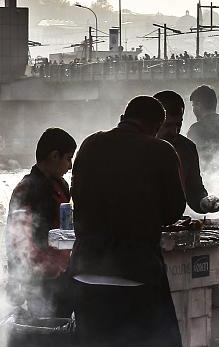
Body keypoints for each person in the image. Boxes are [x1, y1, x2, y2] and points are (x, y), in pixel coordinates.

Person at [70, 96, 187, 347]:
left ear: (124, 117)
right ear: (156, 126)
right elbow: (173, 211)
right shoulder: (161, 150)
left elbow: (76, 198)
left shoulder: (90, 144)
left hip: (85, 272)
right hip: (136, 275)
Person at [6, 128, 76, 318]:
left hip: (63, 271)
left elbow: (65, 225)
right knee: (44, 328)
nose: (70, 166)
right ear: (55, 156)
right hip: (39, 278)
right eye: (68, 158)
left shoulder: (62, 186)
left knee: (63, 323)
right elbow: (15, 236)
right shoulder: (26, 188)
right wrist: (16, 279)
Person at [154, 90, 219, 214]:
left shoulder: (187, 148)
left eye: (178, 124)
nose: (174, 131)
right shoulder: (135, 148)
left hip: (174, 222)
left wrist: (204, 202)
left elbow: (194, 190)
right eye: (167, 125)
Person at [187, 85, 219, 214]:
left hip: (203, 194)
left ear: (198, 105)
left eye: (193, 106)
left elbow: (190, 166)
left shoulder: (196, 130)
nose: (193, 110)